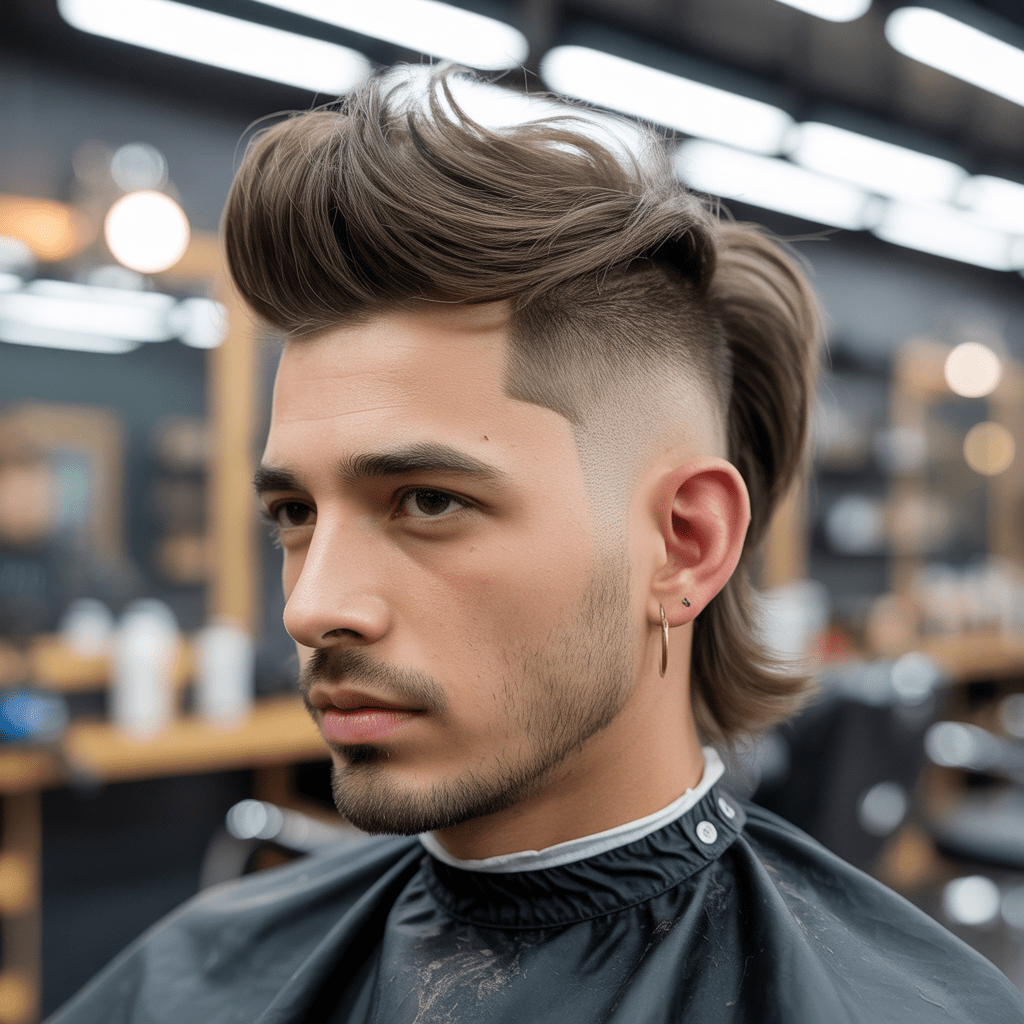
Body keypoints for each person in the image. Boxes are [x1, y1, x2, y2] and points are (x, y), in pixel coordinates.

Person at [48, 68, 1024, 1023]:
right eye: (296, 513)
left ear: (684, 544)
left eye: (427, 500)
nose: (310, 606)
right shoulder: (196, 966)